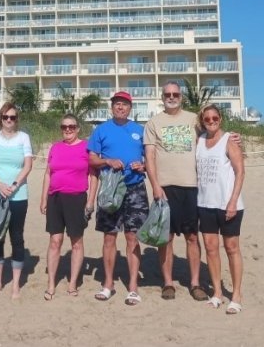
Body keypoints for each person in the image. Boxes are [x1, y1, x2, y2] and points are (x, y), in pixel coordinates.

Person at [144, 81, 208, 301]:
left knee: (192, 236)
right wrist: (155, 185)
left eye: (175, 94)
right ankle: (168, 283)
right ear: (162, 97)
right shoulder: (154, 122)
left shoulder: (193, 119)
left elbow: (213, 133)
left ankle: (195, 283)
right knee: (166, 238)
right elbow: (149, 156)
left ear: (181, 96)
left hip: (191, 186)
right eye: (167, 94)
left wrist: (233, 137)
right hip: (166, 188)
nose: (172, 97)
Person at [87, 91, 149, 306]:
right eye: (117, 104)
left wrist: (144, 166)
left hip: (135, 188)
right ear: (111, 107)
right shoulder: (101, 130)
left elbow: (151, 160)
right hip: (110, 189)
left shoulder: (139, 130)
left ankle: (133, 287)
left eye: (124, 104)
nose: (120, 108)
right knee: (109, 237)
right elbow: (92, 159)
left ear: (130, 108)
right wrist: (108, 161)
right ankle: (108, 284)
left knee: (132, 237)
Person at [39, 113, 98, 300]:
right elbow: (48, 173)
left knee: (76, 242)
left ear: (78, 128)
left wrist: (90, 201)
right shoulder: (55, 148)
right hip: (55, 198)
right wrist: (43, 199)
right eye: (64, 127)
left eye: (71, 126)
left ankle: (72, 284)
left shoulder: (86, 148)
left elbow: (94, 176)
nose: (67, 130)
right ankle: (51, 284)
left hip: (76, 199)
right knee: (55, 241)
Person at [0, 102, 35, 298]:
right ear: (0, 119)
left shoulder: (23, 138)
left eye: (12, 117)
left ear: (16, 119)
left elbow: (28, 165)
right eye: (6, 117)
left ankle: (15, 286)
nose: (9, 120)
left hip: (18, 194)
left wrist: (13, 184)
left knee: (17, 237)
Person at [196, 104, 245, 314]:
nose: (211, 121)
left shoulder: (229, 140)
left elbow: (240, 172)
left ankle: (236, 294)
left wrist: (232, 201)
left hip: (228, 204)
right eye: (207, 119)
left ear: (221, 118)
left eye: (215, 118)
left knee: (232, 247)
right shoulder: (199, 140)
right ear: (202, 121)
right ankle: (217, 292)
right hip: (205, 203)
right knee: (210, 248)